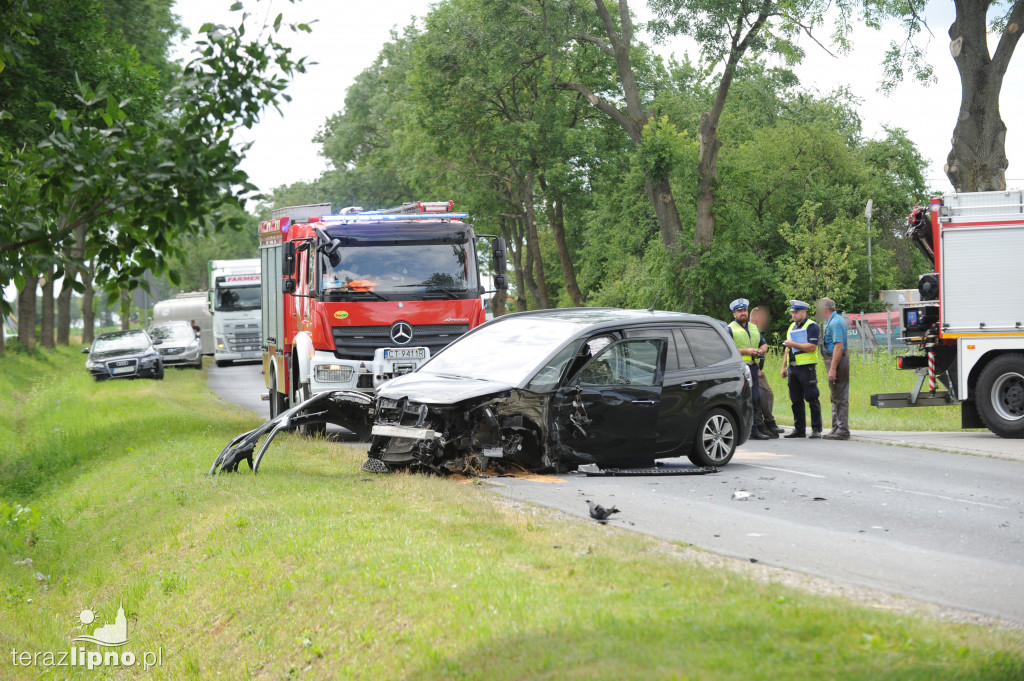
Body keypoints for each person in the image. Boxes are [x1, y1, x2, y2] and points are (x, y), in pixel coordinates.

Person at [727, 299, 770, 440]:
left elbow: (764, 345)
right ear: (734, 314)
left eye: (744, 310)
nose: (743, 313)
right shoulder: (730, 328)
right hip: (738, 368)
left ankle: (754, 429)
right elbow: (727, 350)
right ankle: (741, 430)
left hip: (752, 367)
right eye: (739, 311)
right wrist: (746, 351)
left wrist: (761, 351)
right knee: (742, 400)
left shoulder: (753, 327)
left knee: (755, 398)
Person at [781, 300, 822, 439]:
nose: (794, 314)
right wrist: (783, 366)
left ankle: (816, 429)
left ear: (804, 312)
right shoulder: (792, 326)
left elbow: (812, 347)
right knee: (796, 399)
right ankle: (799, 429)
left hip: (807, 368)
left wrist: (793, 343)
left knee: (812, 398)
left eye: (796, 312)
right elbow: (788, 347)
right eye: (793, 312)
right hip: (793, 367)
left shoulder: (812, 326)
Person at [817, 297, 850, 440]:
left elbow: (838, 346)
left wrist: (833, 369)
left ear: (824, 309)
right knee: (835, 395)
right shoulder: (832, 321)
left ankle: (842, 430)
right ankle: (836, 427)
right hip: (835, 360)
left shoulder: (835, 322)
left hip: (837, 361)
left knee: (840, 396)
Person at [750, 307, 783, 437]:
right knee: (765, 394)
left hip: (755, 367)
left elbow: (763, 346)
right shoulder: (749, 330)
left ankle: (765, 424)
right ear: (758, 318)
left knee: (758, 397)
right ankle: (765, 423)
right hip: (750, 368)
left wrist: (761, 351)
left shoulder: (754, 331)